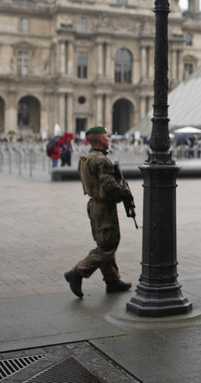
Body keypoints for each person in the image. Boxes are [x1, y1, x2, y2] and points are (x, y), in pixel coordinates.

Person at [64, 126, 132, 298]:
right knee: (108, 245)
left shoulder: (86, 159)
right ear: (101, 140)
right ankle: (77, 272)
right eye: (107, 137)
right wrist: (125, 192)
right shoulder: (102, 161)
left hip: (93, 205)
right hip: (103, 207)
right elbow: (110, 188)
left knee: (103, 244)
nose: (109, 140)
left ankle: (112, 281)